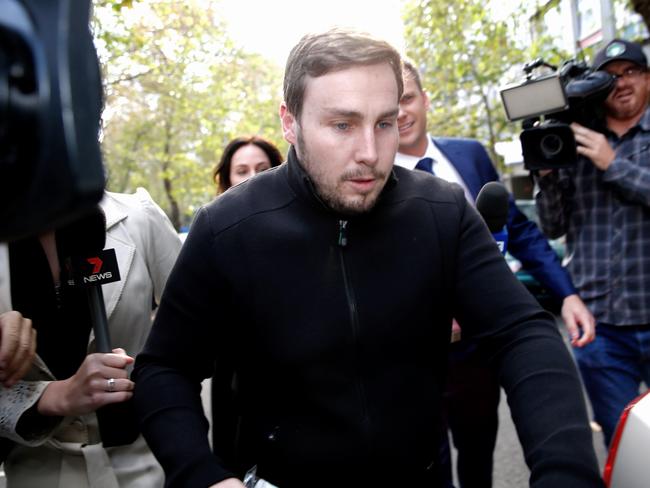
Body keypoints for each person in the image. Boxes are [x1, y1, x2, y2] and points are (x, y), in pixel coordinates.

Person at [133, 29, 604, 488]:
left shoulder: (442, 210)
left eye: (385, 123)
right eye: (342, 124)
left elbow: (522, 333)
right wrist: (203, 474)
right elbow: (164, 367)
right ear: (289, 121)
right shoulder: (226, 227)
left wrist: (566, 471)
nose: (371, 153)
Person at [395, 61, 596, 487]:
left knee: (476, 458)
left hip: (475, 353)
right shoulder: (371, 176)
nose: (400, 111)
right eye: (390, 102)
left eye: (408, 97)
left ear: (425, 99)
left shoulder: (469, 154)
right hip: (409, 359)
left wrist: (566, 295)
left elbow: (518, 230)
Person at [0, 188, 182, 487]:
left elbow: (202, 338)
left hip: (148, 467)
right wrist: (49, 397)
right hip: (33, 472)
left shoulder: (139, 217)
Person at [535, 38, 650, 448]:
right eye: (611, 76)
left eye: (631, 72)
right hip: (600, 328)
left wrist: (613, 164)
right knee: (625, 447)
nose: (621, 83)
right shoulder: (574, 141)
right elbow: (551, 226)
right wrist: (546, 179)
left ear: (648, 78)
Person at [212, 136, 284, 194]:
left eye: (263, 170)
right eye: (242, 172)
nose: (253, 177)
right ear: (228, 180)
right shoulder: (211, 211)